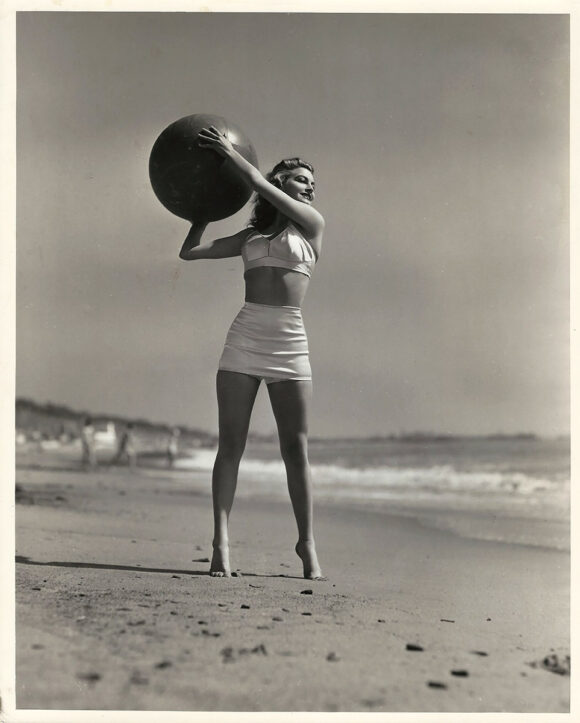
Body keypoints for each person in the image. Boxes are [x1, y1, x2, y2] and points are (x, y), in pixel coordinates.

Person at [179, 125, 325, 580]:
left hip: (289, 341)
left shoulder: (313, 227)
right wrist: (200, 210)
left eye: (312, 185)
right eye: (302, 179)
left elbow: (258, 185)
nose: (310, 189)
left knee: (294, 448)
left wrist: (229, 154)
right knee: (232, 446)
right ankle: (220, 543)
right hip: (244, 339)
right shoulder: (248, 239)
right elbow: (191, 252)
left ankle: (306, 543)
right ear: (282, 178)